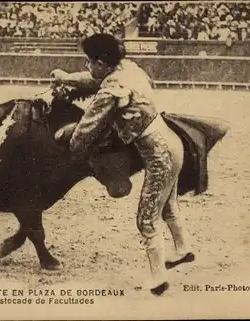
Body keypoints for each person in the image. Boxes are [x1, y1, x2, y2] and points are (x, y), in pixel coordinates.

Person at [51, 33, 195, 296]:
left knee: (146, 218)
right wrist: (65, 77)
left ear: (102, 63)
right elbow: (96, 79)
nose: (86, 66)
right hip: (171, 143)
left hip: (158, 155)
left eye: (88, 61)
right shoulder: (128, 68)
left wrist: (69, 146)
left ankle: (158, 278)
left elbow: (88, 128)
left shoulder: (109, 90)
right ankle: (183, 249)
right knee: (168, 205)